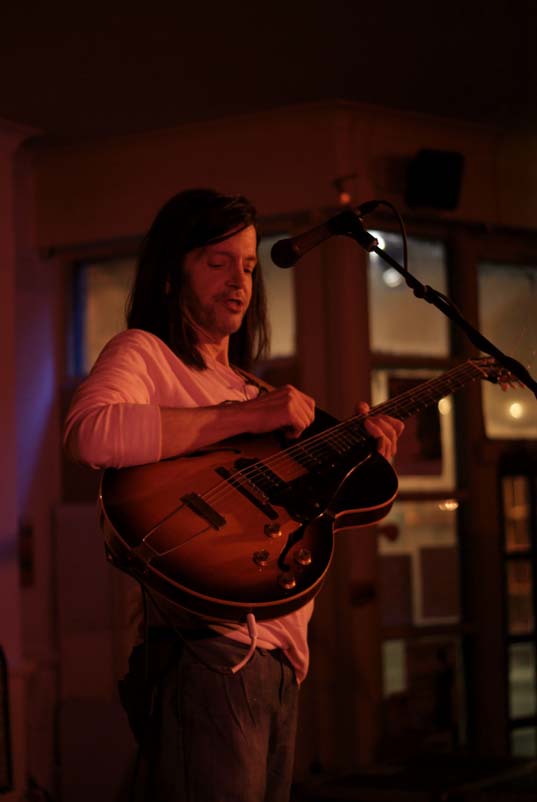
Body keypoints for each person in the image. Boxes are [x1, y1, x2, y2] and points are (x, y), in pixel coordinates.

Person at [63, 188, 404, 802]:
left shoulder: (250, 388)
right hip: (213, 654)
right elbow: (91, 434)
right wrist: (239, 418)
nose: (239, 281)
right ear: (171, 274)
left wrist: (366, 462)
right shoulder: (145, 353)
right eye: (218, 263)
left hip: (278, 662)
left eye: (247, 266)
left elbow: (300, 516)